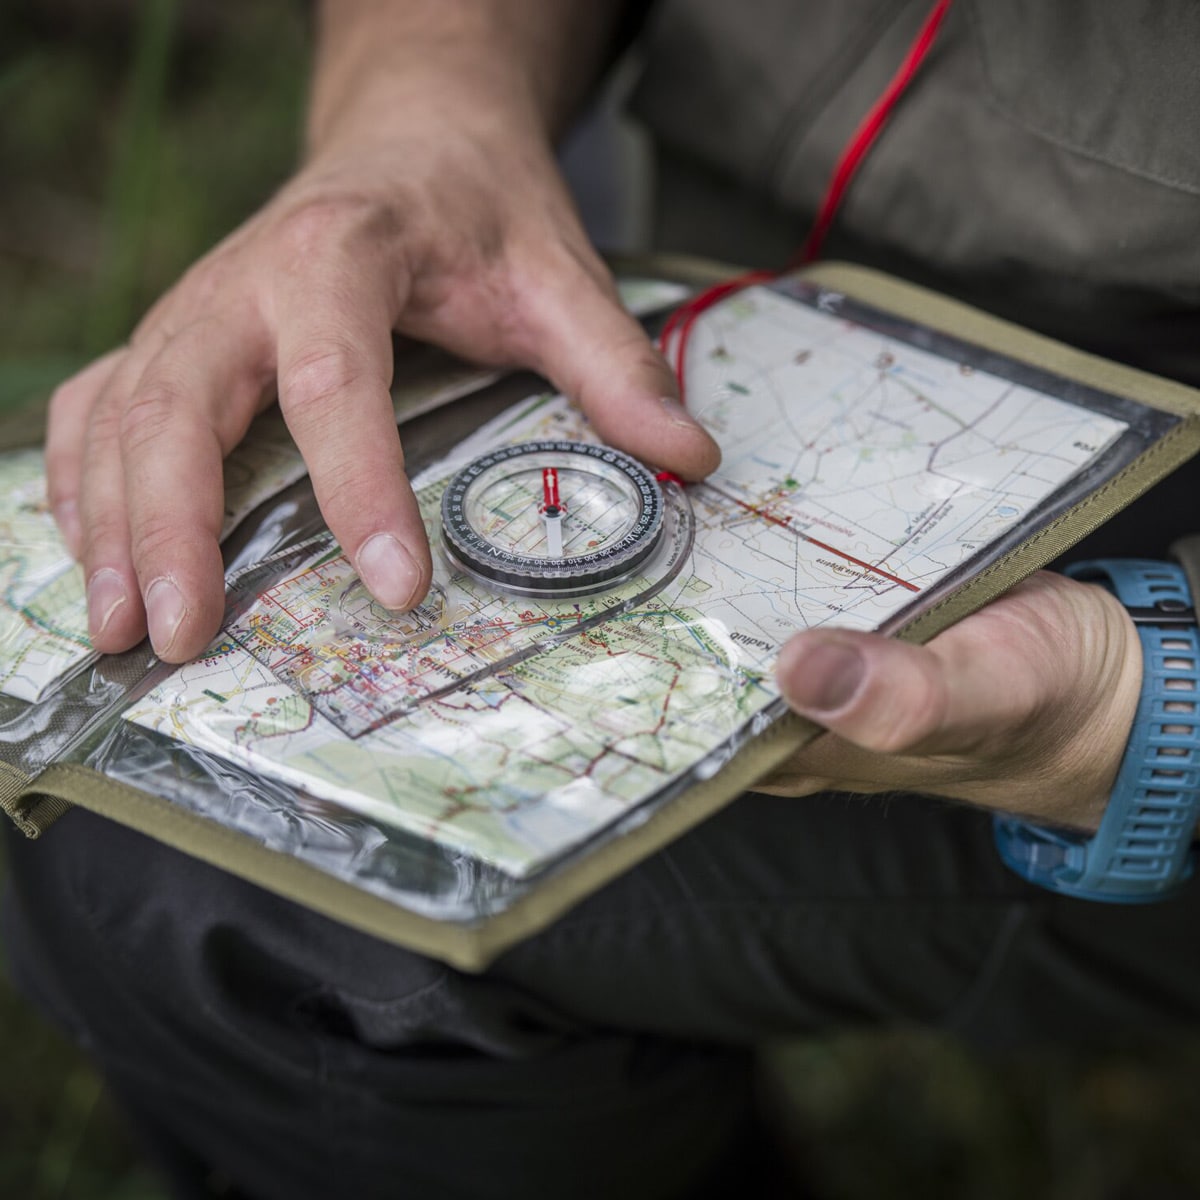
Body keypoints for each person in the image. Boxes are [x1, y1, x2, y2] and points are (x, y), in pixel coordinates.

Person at [5, 1, 1200, 1196]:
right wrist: (422, 103)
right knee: (132, 810)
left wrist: (1149, 712)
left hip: (1141, 507)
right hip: (677, 294)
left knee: (245, 895)